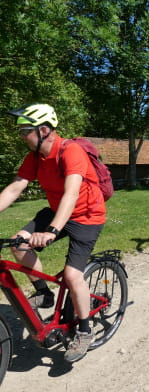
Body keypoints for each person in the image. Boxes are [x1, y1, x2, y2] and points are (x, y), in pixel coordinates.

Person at [0, 103, 106, 363]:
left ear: (44, 130)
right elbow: (15, 189)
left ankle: (84, 330)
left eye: (25, 130)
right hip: (57, 210)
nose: (21, 136)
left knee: (71, 275)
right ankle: (45, 294)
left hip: (86, 216)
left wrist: (51, 231)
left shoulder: (71, 152)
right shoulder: (35, 157)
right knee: (18, 243)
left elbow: (72, 193)